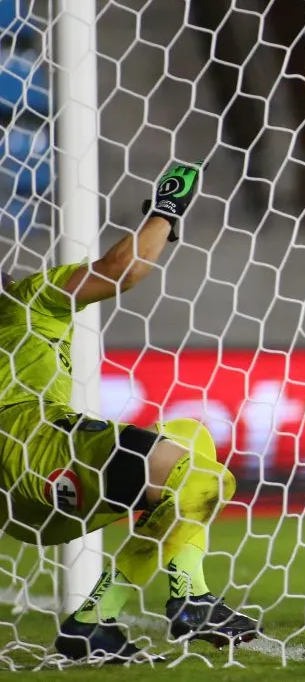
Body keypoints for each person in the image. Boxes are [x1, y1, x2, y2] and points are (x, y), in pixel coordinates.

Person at [0, 163, 258, 661]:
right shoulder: (28, 301)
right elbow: (123, 270)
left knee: (190, 435)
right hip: (43, 448)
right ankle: (188, 599)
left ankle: (100, 619)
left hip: (21, 503)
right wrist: (166, 210)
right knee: (206, 481)